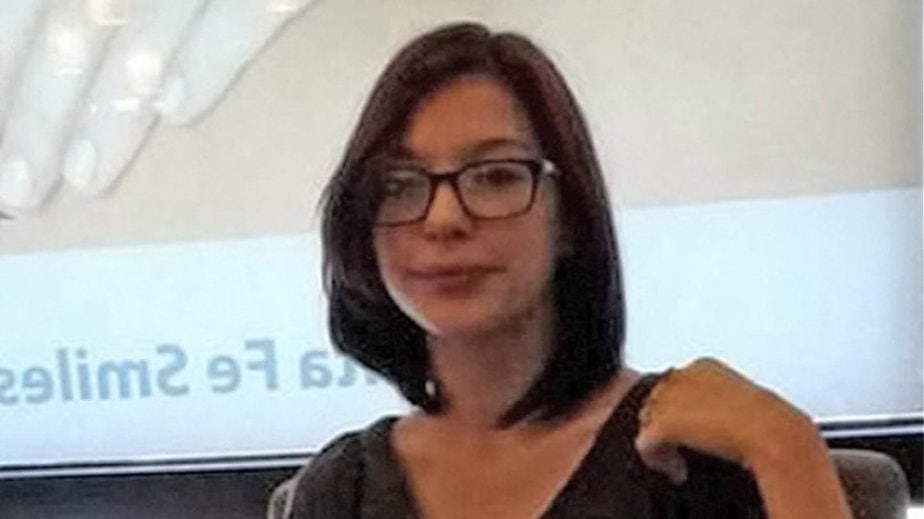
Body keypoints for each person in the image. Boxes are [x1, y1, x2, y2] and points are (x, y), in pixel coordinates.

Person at [287, 22, 851, 518]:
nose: (444, 218)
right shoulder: (345, 487)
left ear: (570, 217)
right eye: (397, 185)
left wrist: (787, 450)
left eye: (496, 176)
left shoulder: (682, 452)